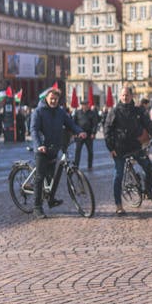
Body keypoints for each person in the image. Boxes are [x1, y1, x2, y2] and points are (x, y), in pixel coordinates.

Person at [104, 85, 152, 215]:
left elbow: (148, 124)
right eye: (123, 95)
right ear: (120, 97)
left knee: (149, 168)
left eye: (127, 95)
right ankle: (119, 204)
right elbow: (107, 130)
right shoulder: (114, 111)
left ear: (132, 96)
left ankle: (148, 192)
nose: (125, 97)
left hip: (135, 146)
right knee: (118, 175)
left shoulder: (138, 111)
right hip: (119, 149)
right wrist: (111, 148)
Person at [30, 87, 86, 220]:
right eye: (51, 98)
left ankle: (50, 199)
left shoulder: (60, 112)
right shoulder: (39, 111)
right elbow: (34, 130)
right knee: (40, 177)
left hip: (54, 148)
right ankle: (37, 207)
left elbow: (70, 124)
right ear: (46, 98)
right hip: (42, 149)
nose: (54, 101)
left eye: (56, 99)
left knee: (52, 176)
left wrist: (79, 131)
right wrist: (39, 145)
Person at [73, 99, 98, 170]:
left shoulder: (92, 113)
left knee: (90, 151)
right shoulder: (78, 112)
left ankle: (90, 166)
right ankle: (76, 165)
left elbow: (94, 124)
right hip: (79, 134)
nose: (85, 106)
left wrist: (93, 133)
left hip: (88, 135)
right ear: (82, 106)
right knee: (78, 151)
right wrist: (75, 133)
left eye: (86, 105)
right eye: (84, 105)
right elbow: (74, 123)